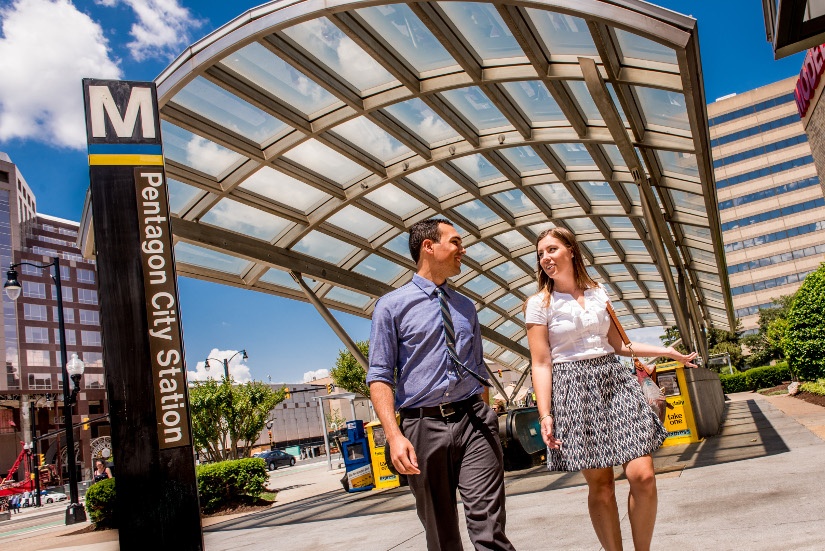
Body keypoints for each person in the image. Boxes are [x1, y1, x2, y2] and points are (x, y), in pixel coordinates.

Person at [524, 227, 697, 551]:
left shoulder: (598, 293)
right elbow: (541, 362)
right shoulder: (538, 304)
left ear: (571, 250)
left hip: (614, 381)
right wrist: (546, 415)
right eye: (541, 254)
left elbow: (620, 344)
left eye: (551, 249)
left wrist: (667, 352)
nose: (545, 258)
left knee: (643, 476)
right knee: (601, 486)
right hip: (572, 388)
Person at [368, 218, 516, 551]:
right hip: (423, 426)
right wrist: (394, 436)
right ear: (428, 246)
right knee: (442, 535)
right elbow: (379, 376)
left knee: (490, 528)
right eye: (455, 242)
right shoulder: (390, 307)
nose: (463, 250)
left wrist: (486, 410)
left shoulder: (466, 307)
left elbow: (478, 368)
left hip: (474, 421)